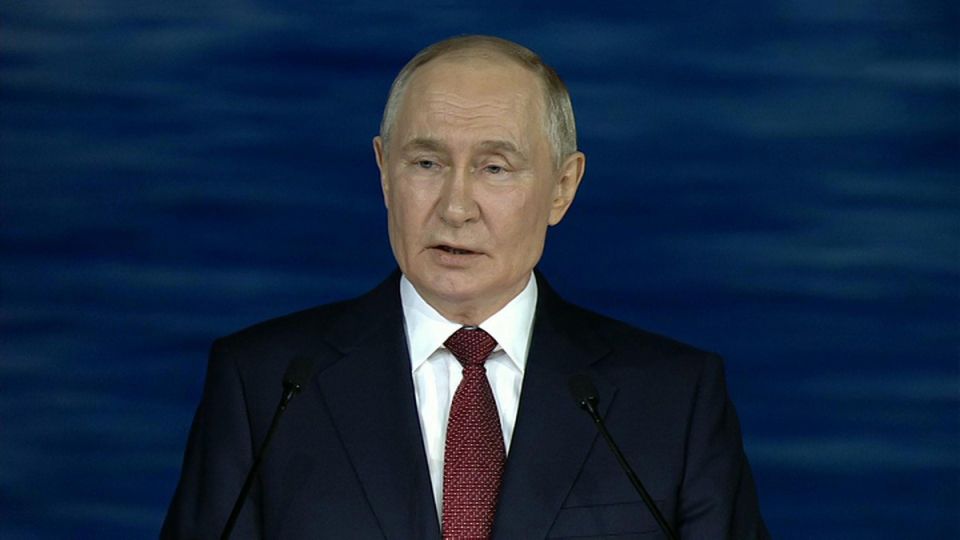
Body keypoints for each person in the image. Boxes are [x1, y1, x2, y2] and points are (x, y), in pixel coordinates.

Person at [162, 35, 769, 539]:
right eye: (426, 163)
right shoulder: (266, 387)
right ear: (384, 172)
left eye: (494, 168)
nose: (455, 208)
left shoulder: (674, 400)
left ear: (562, 188)